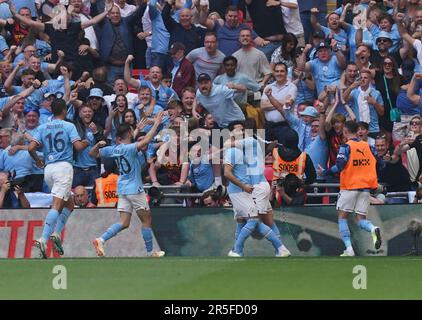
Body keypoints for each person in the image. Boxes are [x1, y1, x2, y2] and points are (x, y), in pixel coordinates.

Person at [90, 112, 165, 258]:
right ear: (130, 133)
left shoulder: (114, 149)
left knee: (124, 223)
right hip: (134, 189)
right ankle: (150, 253)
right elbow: (145, 141)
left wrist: (98, 144)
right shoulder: (131, 148)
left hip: (122, 189)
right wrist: (156, 123)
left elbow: (92, 154)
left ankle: (101, 239)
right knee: (147, 219)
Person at [28, 98, 90, 258]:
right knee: (56, 205)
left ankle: (56, 233)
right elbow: (78, 147)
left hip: (48, 169)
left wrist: (37, 160)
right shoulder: (69, 126)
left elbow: (30, 147)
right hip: (63, 167)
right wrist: (87, 141)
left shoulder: (43, 127)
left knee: (69, 204)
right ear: (64, 110)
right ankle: (43, 238)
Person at [318, 120, 383, 257]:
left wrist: (324, 172)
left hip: (349, 187)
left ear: (346, 132)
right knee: (361, 220)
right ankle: (373, 228)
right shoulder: (369, 147)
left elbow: (339, 166)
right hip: (365, 188)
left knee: (342, 218)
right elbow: (381, 164)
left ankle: (349, 249)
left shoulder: (346, 147)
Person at [223, 129, 290, 258]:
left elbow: (228, 146)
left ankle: (239, 250)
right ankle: (278, 248)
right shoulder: (238, 151)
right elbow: (228, 171)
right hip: (248, 188)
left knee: (248, 220)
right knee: (251, 220)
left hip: (250, 188)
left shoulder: (245, 147)